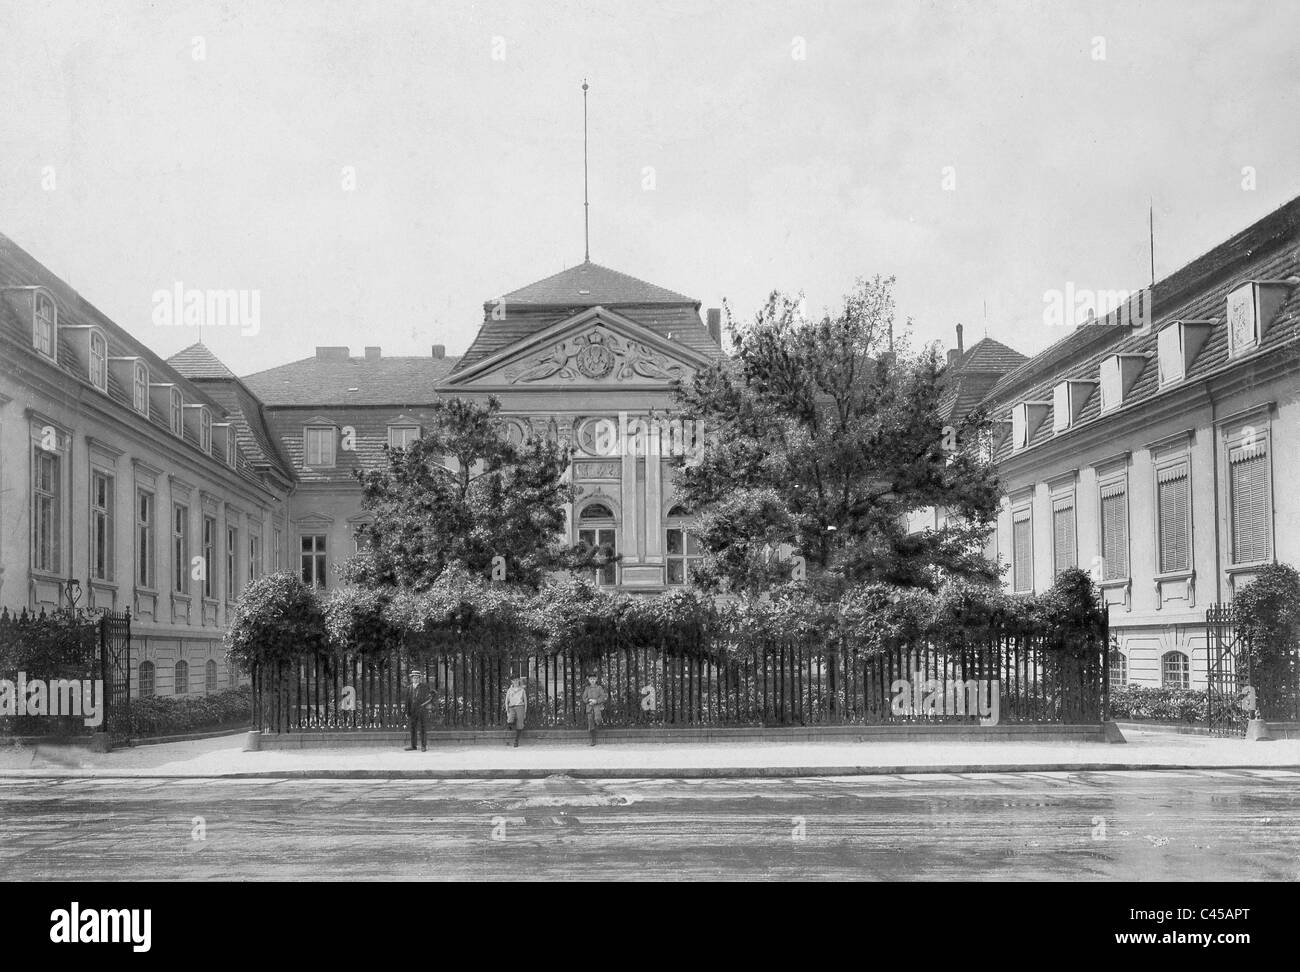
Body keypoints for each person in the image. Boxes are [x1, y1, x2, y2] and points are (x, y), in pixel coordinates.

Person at [404, 671, 434, 752]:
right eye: (414, 677)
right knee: (412, 728)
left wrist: (425, 707)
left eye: (417, 677)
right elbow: (407, 701)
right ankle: (413, 746)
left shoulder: (424, 687)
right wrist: (407, 711)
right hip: (412, 711)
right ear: (412, 678)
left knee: (422, 728)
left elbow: (428, 698)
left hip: (422, 710)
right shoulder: (409, 688)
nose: (415, 679)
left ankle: (423, 746)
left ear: (420, 678)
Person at [580, 673, 608, 746]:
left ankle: (600, 724)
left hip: (597, 707)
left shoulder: (599, 688)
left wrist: (596, 701)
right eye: (591, 679)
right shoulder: (587, 688)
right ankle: (593, 740)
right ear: (589, 680)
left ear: (596, 679)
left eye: (594, 679)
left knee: (598, 719)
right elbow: (584, 698)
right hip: (589, 707)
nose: (592, 680)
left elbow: (603, 697)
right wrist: (589, 700)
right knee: (590, 723)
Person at [504, 676, 528, 747]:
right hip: (511, 707)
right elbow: (506, 700)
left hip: (520, 706)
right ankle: (510, 732)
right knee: (510, 720)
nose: (516, 682)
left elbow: (525, 701)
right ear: (512, 681)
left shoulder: (522, 690)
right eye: (514, 680)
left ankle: (516, 741)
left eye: (517, 680)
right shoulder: (510, 690)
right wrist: (507, 709)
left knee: (520, 724)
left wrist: (525, 711)